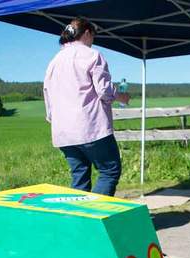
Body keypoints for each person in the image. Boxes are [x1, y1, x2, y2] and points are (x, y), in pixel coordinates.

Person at [43, 17, 130, 196]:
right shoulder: (92, 55)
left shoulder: (54, 62)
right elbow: (104, 91)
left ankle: (80, 221)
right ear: (87, 33)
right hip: (90, 127)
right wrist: (121, 96)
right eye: (93, 37)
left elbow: (47, 95)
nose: (92, 42)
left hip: (63, 133)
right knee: (109, 171)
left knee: (80, 178)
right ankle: (96, 217)